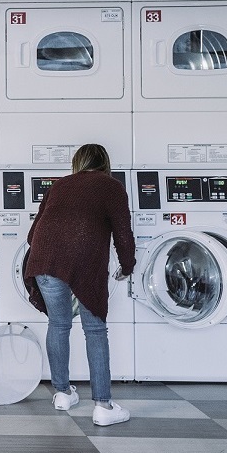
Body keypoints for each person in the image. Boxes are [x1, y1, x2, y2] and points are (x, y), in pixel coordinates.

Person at [24, 143, 136, 426]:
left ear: (77, 163)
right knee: (95, 330)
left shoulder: (59, 186)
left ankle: (62, 394)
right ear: (104, 163)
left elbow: (31, 235)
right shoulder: (111, 187)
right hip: (84, 264)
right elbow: (123, 231)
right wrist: (128, 265)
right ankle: (103, 406)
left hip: (44, 260)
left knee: (59, 325)